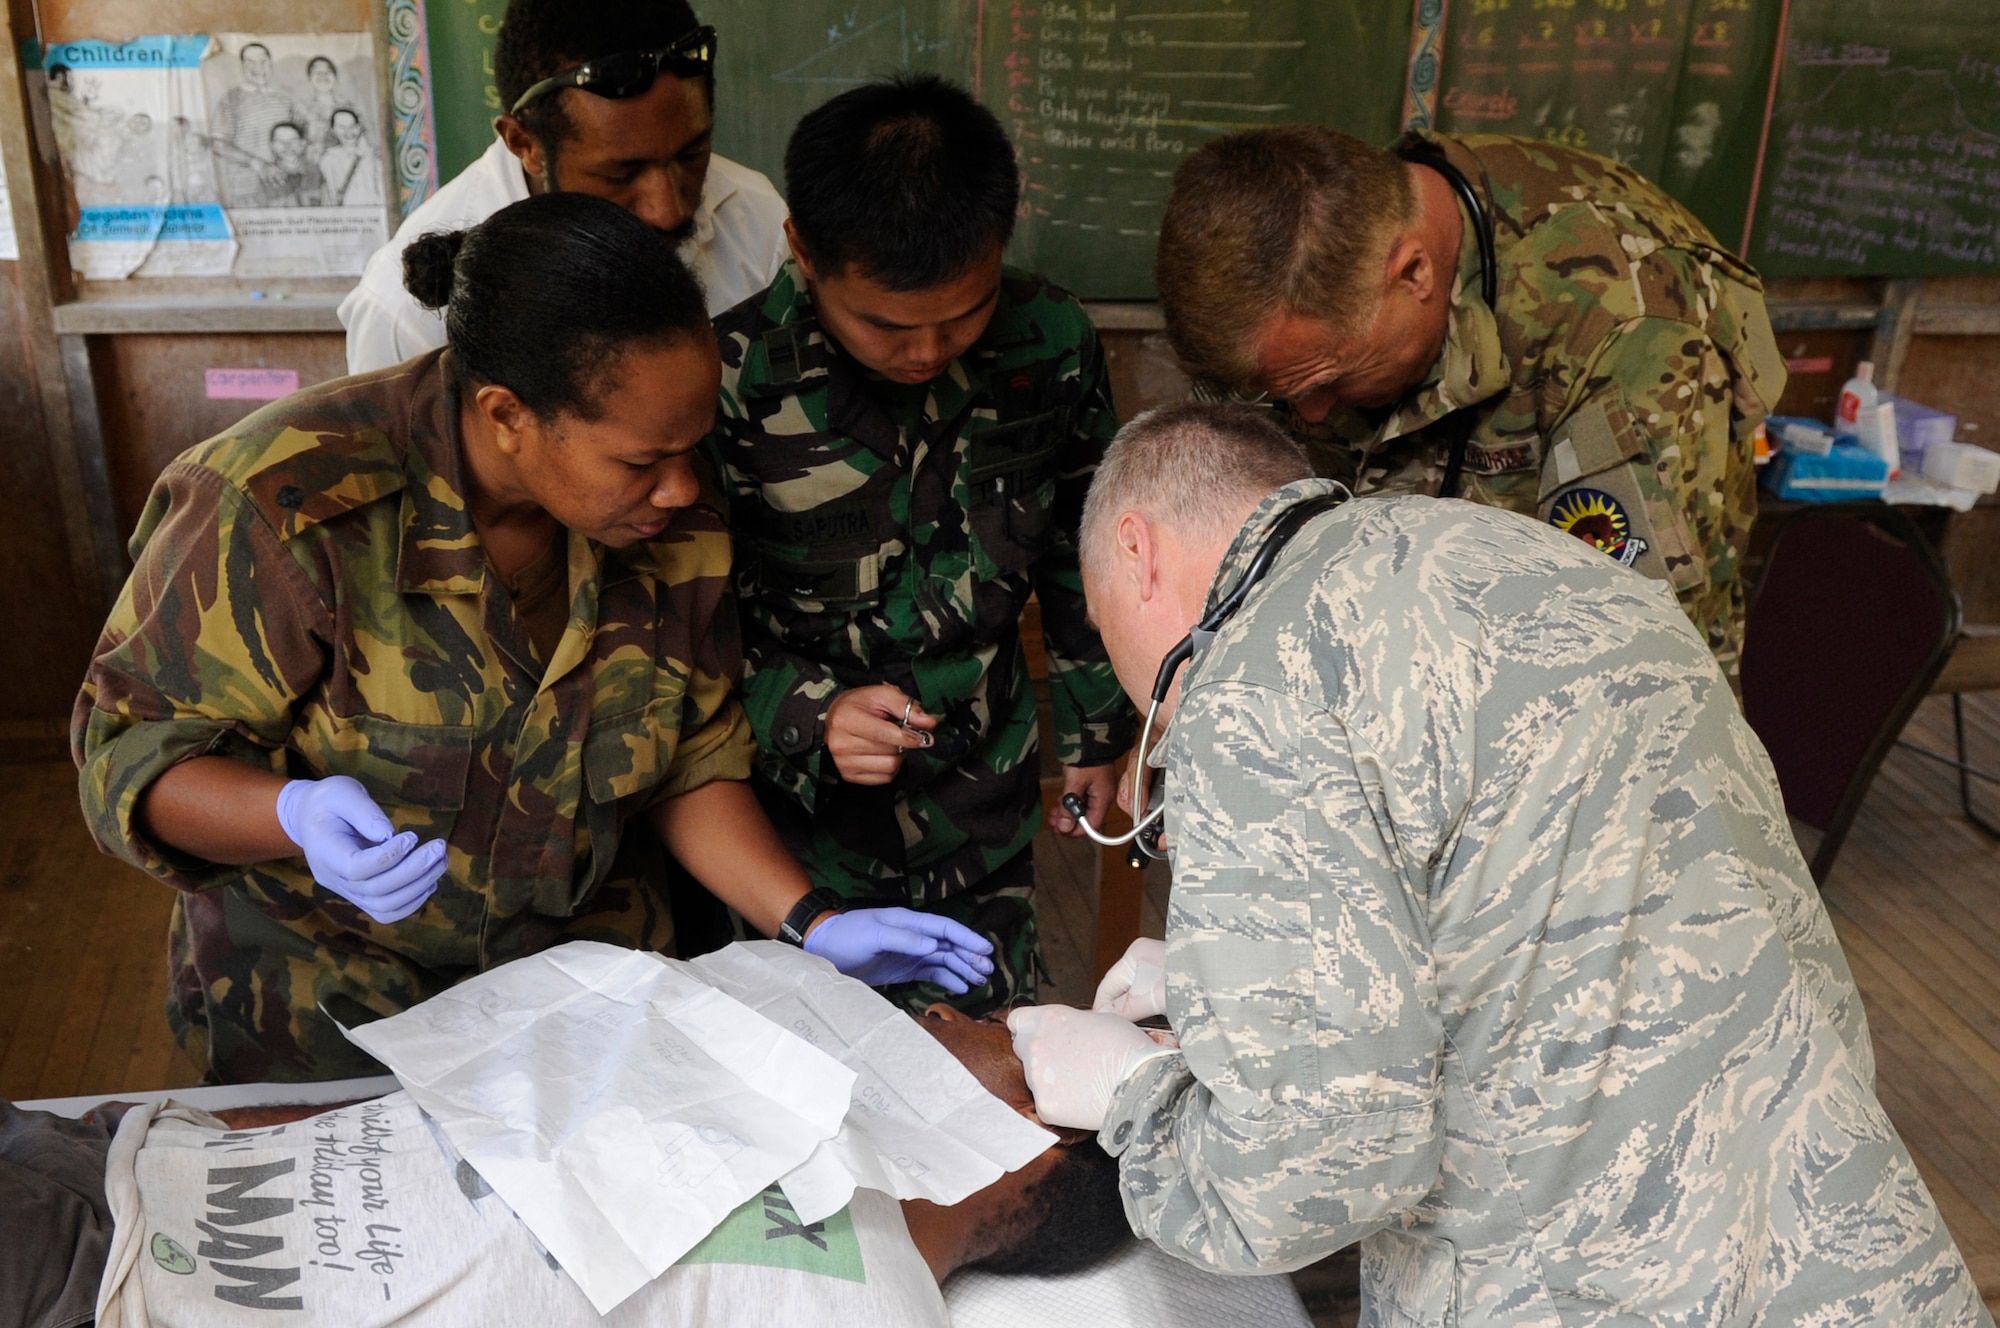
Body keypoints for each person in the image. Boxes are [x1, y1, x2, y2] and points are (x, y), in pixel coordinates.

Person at [1007, 403, 1990, 1324]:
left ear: (1135, 550)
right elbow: (1536, 907)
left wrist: (1136, 1090)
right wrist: (1244, 995)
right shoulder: (1527, 557)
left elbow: (1304, 1176)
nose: (1148, 710)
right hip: (1842, 1243)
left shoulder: (1250, 680)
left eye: (1102, 630)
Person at [73, 194, 992, 1085]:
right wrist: (289, 817)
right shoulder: (286, 504)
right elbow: (131, 757)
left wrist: (809, 921)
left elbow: (689, 759)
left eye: (692, 447)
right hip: (329, 1026)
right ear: (508, 416)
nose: (682, 488)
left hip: (582, 1010)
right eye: (641, 461)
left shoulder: (667, 510)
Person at [705, 75, 1136, 1015]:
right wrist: (810, 712)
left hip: (982, 811)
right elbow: (691, 625)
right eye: (887, 325)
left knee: (987, 1081)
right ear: (803, 255)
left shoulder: (1048, 342)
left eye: (965, 314)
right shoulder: (727, 382)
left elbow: (1081, 545)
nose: (928, 351)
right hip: (797, 836)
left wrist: (1101, 736)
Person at [1153, 128, 1789, 678]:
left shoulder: (1627, 326)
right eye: (1286, 394)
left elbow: (1620, 651)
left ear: (1414, 274)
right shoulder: (1334, 235)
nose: (1313, 416)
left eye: (1331, 381)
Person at [38, 1009, 1126, 1327]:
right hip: (116, 1154)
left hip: (108, 1288)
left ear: (1038, 1133)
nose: (936, 1010)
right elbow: (424, 1125)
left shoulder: (874, 1307)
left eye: (986, 1025)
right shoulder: (774, 1104)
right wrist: (160, 1125)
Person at [339, 0, 787, 374]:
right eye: (620, 174)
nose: (667, 209)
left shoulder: (759, 220)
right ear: (524, 143)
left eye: (692, 155)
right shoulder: (405, 317)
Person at [211, 42, 299, 206]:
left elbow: (301, 138)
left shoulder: (285, 100)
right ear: (242, 66)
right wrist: (256, 163)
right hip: (246, 188)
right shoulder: (230, 100)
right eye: (250, 62)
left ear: (270, 64)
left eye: (263, 62)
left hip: (285, 187)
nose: (258, 67)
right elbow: (218, 144)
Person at [317, 106, 382, 208]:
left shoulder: (373, 156)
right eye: (342, 127)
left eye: (352, 126)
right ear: (333, 130)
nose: (348, 132)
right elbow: (333, 194)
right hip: (347, 215)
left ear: (359, 128)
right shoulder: (329, 159)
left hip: (374, 212)